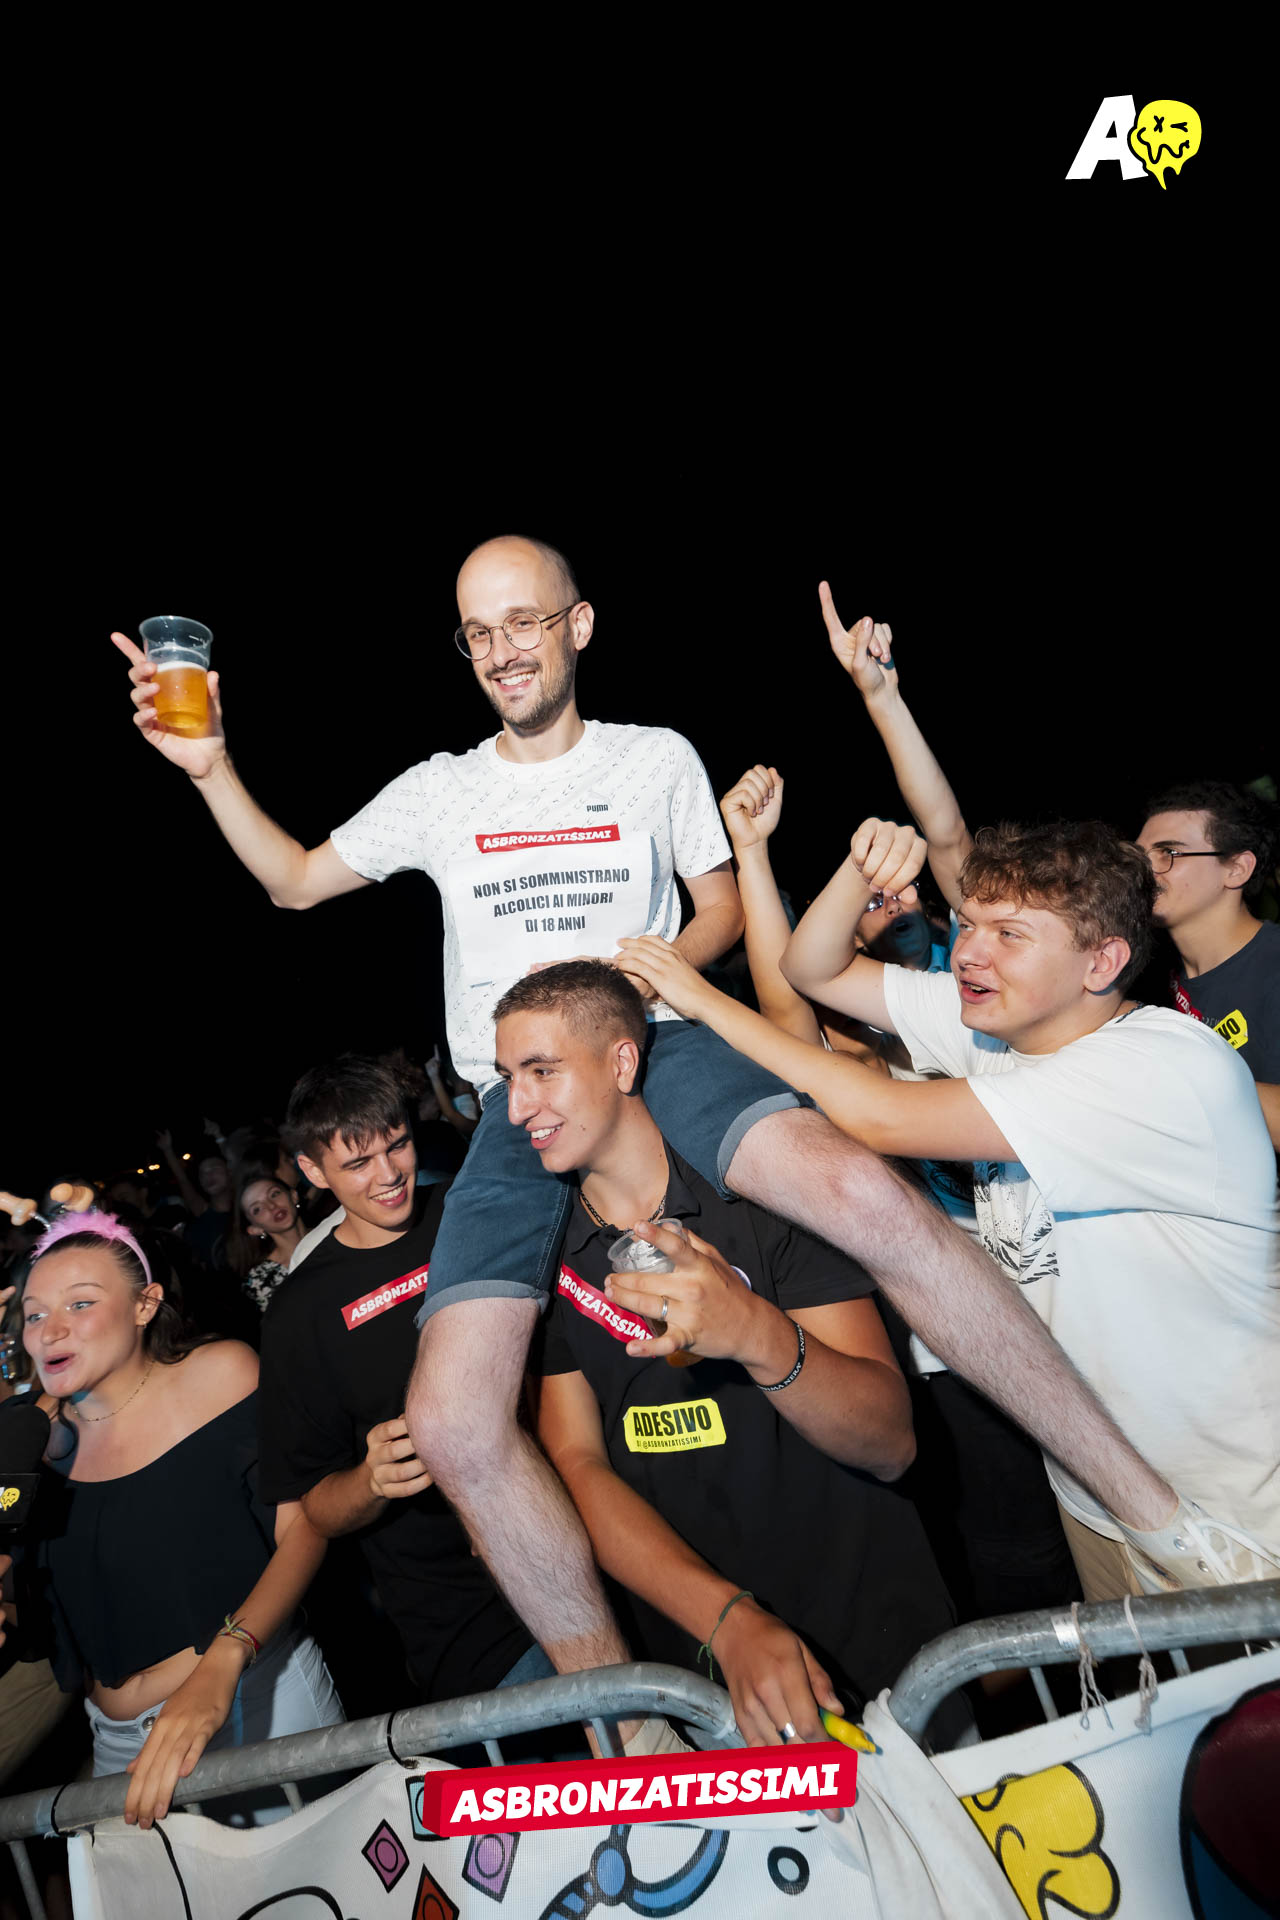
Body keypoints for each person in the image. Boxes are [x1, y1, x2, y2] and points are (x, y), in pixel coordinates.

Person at [115, 540, 1207, 1684]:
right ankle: (623, 1718)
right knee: (451, 1420)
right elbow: (292, 880)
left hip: (656, 1043)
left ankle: (1153, 1517)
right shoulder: (440, 788)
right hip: (516, 1093)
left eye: (523, 622)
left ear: (577, 626)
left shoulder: (653, 759)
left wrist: (646, 975)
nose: (501, 651)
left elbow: (718, 908)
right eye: (478, 632)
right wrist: (209, 767)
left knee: (859, 1191)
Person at [749, 812, 1279, 1603]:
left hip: (1232, 1512)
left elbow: (877, 1116)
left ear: (1103, 962)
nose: (969, 951)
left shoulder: (1154, 1068)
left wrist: (701, 1003)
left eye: (1009, 934)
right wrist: (861, 869)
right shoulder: (1005, 1029)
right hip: (1099, 1495)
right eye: (968, 924)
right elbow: (812, 967)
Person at [499, 962, 959, 1749]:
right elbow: (576, 1465)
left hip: (880, 1653)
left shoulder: (762, 1188)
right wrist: (725, 1620)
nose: (516, 1107)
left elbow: (890, 1441)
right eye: (508, 1078)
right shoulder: (540, 1250)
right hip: (709, 1687)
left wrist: (751, 1332)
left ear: (622, 1062)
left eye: (542, 1071)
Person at [713, 763, 1077, 1622]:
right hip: (953, 1344)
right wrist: (751, 855)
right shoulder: (855, 1044)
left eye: (907, 891)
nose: (901, 901)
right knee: (1020, 1560)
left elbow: (949, 841)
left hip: (1066, 1309)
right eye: (875, 901)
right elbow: (785, 1000)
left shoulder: (983, 1002)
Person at [5, 1209, 341, 1828]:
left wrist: (222, 1662)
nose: (50, 1330)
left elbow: (303, 1529)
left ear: (145, 1304)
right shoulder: (30, 1444)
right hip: (120, 1747)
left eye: (80, 1304)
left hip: (255, 1702)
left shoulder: (222, 1374)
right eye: (34, 1314)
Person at [257, 1052, 538, 1707]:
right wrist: (370, 1481)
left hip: (575, 1538)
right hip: (468, 1620)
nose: (388, 1176)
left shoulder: (467, 1212)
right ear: (313, 1171)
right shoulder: (300, 1312)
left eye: (398, 1145)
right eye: (358, 1163)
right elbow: (313, 1506)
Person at [1136, 779, 1280, 1149]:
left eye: (1169, 853)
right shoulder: (1147, 975)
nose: (1144, 871)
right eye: (1139, 856)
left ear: (1237, 869)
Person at [226, 1170, 305, 1314]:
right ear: (254, 1228)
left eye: (274, 1194)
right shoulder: (261, 1280)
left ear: (293, 1196)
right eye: (257, 1209)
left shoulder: (335, 1232)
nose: (272, 1206)